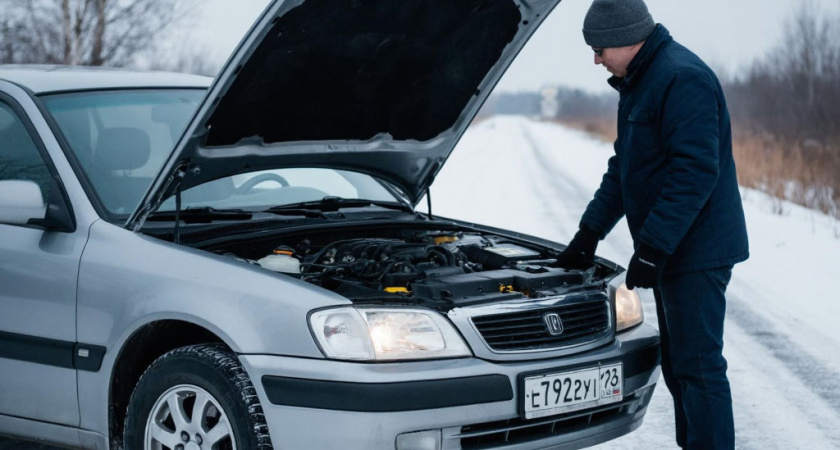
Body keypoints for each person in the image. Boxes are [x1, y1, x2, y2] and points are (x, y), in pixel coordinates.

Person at [556, 0, 750, 448]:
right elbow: (626, 167)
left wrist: (653, 247)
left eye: (599, 48)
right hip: (674, 249)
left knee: (699, 368)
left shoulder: (682, 78)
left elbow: (695, 171)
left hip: (697, 250)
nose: (595, 58)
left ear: (626, 38)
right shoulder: (642, 82)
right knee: (680, 367)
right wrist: (589, 233)